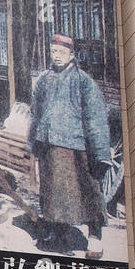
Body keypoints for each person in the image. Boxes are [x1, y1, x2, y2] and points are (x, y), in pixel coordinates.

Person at [26, 33, 111, 250]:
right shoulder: (44, 80)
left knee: (87, 191)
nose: (56, 56)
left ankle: (95, 237)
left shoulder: (83, 81)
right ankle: (58, 235)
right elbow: (36, 113)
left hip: (77, 148)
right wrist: (33, 143)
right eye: (53, 52)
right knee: (54, 194)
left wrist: (101, 154)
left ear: (72, 55)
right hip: (50, 146)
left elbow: (96, 117)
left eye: (61, 52)